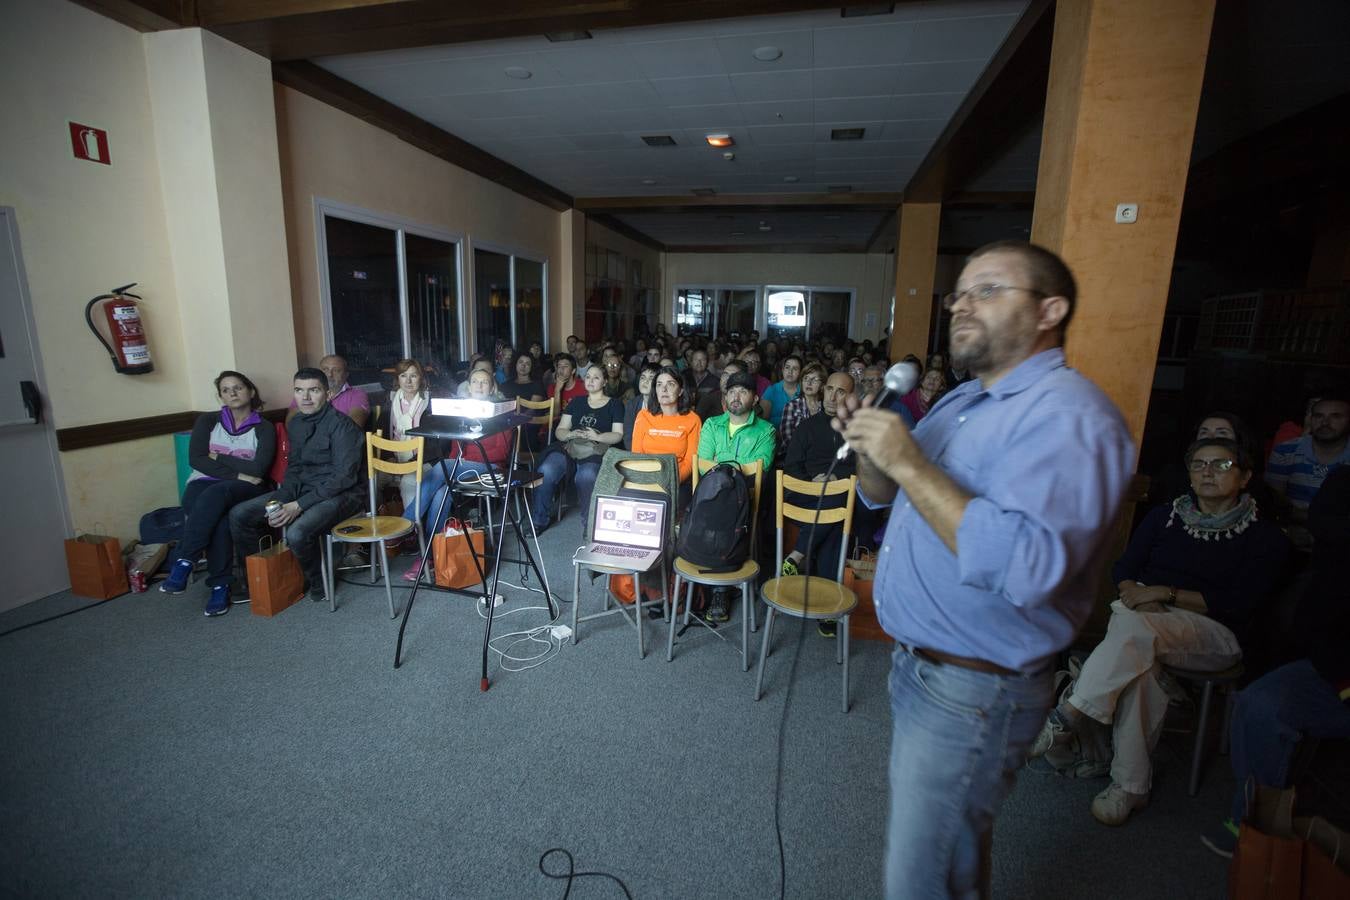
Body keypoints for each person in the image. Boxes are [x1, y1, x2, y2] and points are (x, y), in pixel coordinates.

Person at [833, 241, 1135, 898]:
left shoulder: (1072, 418)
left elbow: (1030, 569)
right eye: (959, 294)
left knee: (922, 880)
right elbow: (883, 496)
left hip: (975, 687)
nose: (963, 305)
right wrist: (873, 448)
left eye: (989, 290)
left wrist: (911, 461)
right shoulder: (963, 400)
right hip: (923, 663)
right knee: (949, 856)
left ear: (1051, 309)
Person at [1029, 437, 1290, 826]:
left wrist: (1165, 594)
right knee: (1142, 669)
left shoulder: (1265, 537)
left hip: (1216, 635)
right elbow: (1124, 569)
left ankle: (1068, 715)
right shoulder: (1164, 517)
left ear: (1245, 475)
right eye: (1199, 463)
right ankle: (1130, 788)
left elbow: (1240, 602)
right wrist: (1137, 594)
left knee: (1134, 629)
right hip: (1145, 624)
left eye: (1221, 465)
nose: (1207, 471)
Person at [1202, 466, 1350, 857]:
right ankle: (1252, 824)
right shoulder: (1342, 491)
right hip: (1339, 670)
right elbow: (1318, 621)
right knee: (1260, 705)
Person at [230, 367, 366, 603]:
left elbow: (344, 477)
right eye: (299, 391)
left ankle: (316, 582)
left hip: (343, 494)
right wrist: (281, 501)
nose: (305, 397)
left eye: (313, 390)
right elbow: (294, 469)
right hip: (302, 491)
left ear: (328, 394)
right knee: (240, 513)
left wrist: (298, 505)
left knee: (297, 532)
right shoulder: (296, 424)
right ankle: (260, 578)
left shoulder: (343, 426)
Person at [160, 371, 276, 616]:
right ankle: (221, 585)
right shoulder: (207, 421)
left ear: (251, 391)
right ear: (220, 396)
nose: (232, 393)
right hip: (206, 483)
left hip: (247, 487)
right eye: (226, 390)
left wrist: (218, 457)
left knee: (217, 494)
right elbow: (196, 459)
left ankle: (185, 560)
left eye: (238, 387)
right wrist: (237, 472)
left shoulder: (263, 427)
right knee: (220, 521)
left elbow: (259, 469)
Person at [402, 369, 515, 583]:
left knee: (443, 466)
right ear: (469, 387)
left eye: (484, 382)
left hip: (490, 469)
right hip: (461, 469)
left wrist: (459, 464)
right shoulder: (463, 412)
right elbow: (455, 450)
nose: (479, 386)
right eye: (475, 382)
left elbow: (501, 453)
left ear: (492, 387)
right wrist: (456, 466)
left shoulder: (501, 412)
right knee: (442, 493)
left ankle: (406, 523)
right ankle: (429, 555)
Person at [696, 370, 776, 623]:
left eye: (743, 391)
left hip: (745, 501)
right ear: (725, 397)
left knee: (725, 510)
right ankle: (708, 583)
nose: (736, 396)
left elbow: (759, 470)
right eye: (732, 391)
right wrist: (736, 466)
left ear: (754, 399)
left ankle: (719, 591)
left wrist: (721, 464)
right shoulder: (711, 424)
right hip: (710, 496)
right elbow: (701, 464)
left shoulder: (766, 431)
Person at [780, 372, 857, 625]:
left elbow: (862, 468)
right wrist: (810, 482)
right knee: (837, 511)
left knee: (837, 507)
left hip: (838, 494)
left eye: (841, 392)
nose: (833, 397)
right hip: (804, 493)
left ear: (850, 397)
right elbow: (791, 466)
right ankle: (828, 611)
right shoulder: (807, 426)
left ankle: (797, 555)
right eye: (829, 389)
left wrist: (835, 478)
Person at [530, 366, 624, 532]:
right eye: (588, 377)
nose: (591, 380)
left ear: (605, 382)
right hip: (570, 446)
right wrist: (570, 434)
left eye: (596, 377)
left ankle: (590, 526)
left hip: (596, 449)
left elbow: (618, 435)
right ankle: (539, 520)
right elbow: (560, 430)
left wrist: (597, 437)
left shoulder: (614, 404)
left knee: (586, 476)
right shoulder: (577, 402)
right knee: (547, 469)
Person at [1265, 394, 1350, 521]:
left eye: (1335, 416)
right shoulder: (1286, 451)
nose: (1325, 422)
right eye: (1318, 416)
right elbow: (1271, 500)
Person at [632, 366, 702, 503]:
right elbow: (637, 454)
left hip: (677, 481)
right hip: (645, 478)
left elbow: (690, 462)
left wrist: (669, 481)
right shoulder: (643, 415)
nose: (664, 389)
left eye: (670, 384)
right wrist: (648, 481)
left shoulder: (693, 419)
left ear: (681, 390)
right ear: (655, 390)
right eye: (659, 385)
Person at [373, 358, 432, 516]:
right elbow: (381, 435)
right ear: (397, 379)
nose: (408, 381)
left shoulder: (430, 404)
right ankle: (382, 524)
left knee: (407, 482)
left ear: (421, 378)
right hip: (394, 460)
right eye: (403, 375)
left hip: (422, 461)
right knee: (372, 482)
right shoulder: (390, 403)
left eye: (413, 375)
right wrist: (389, 456)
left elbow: (436, 445)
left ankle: (411, 528)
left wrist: (410, 464)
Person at [286, 354, 370, 429]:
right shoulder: (305, 394)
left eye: (336, 370)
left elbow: (354, 426)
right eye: (325, 370)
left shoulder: (357, 395)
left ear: (346, 375)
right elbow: (291, 424)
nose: (329, 374)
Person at [778, 361, 827, 452]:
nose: (809, 382)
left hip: (820, 457)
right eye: (806, 378)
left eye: (814, 379)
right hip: (794, 455)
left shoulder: (826, 408)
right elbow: (787, 438)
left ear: (822, 385)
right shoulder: (791, 406)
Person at [623, 364, 659, 451]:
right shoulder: (632, 404)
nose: (645, 381)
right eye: (643, 377)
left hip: (657, 452)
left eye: (651, 378)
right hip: (636, 453)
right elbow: (628, 436)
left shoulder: (664, 405)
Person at [760, 355, 803, 429]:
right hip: (774, 436)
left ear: (800, 372)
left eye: (795, 369)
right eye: (787, 367)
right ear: (782, 370)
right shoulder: (771, 390)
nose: (790, 371)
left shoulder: (804, 391)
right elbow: (763, 420)